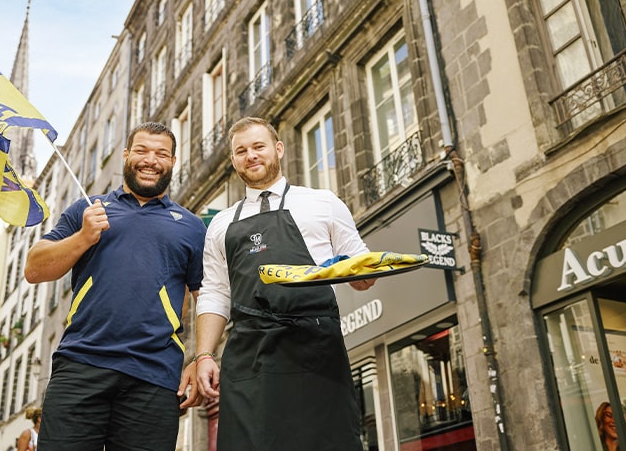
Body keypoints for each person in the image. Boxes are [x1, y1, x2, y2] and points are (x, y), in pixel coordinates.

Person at [192, 117, 375, 450]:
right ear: (234, 160)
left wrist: (359, 274)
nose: (251, 156)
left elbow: (362, 271)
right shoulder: (220, 224)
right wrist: (204, 355)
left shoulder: (323, 203)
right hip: (250, 355)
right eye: (241, 151)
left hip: (316, 350)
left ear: (278, 148)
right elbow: (215, 293)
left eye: (258, 146)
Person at [25, 122, 206, 451]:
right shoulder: (87, 209)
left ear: (173, 162)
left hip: (154, 376)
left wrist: (201, 356)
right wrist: (83, 237)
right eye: (141, 150)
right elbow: (34, 269)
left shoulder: (192, 226)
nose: (150, 160)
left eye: (161, 153)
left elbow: (205, 296)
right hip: (81, 364)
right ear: (126, 155)